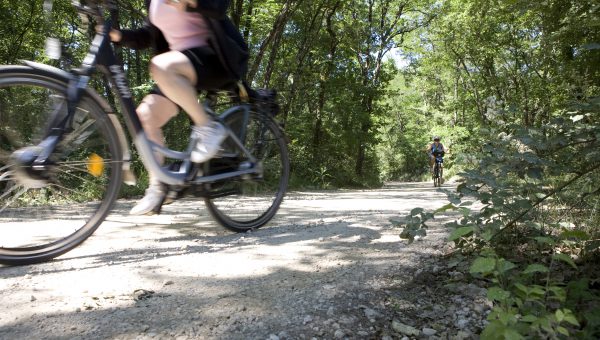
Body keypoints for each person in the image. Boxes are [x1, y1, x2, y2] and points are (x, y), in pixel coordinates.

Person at [108, 0, 244, 215]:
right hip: (179, 69)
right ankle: (158, 187)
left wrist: (191, 2)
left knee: (161, 65)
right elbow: (148, 35)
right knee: (145, 116)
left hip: (215, 58)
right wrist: (119, 36)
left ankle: (208, 127)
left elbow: (218, 7)